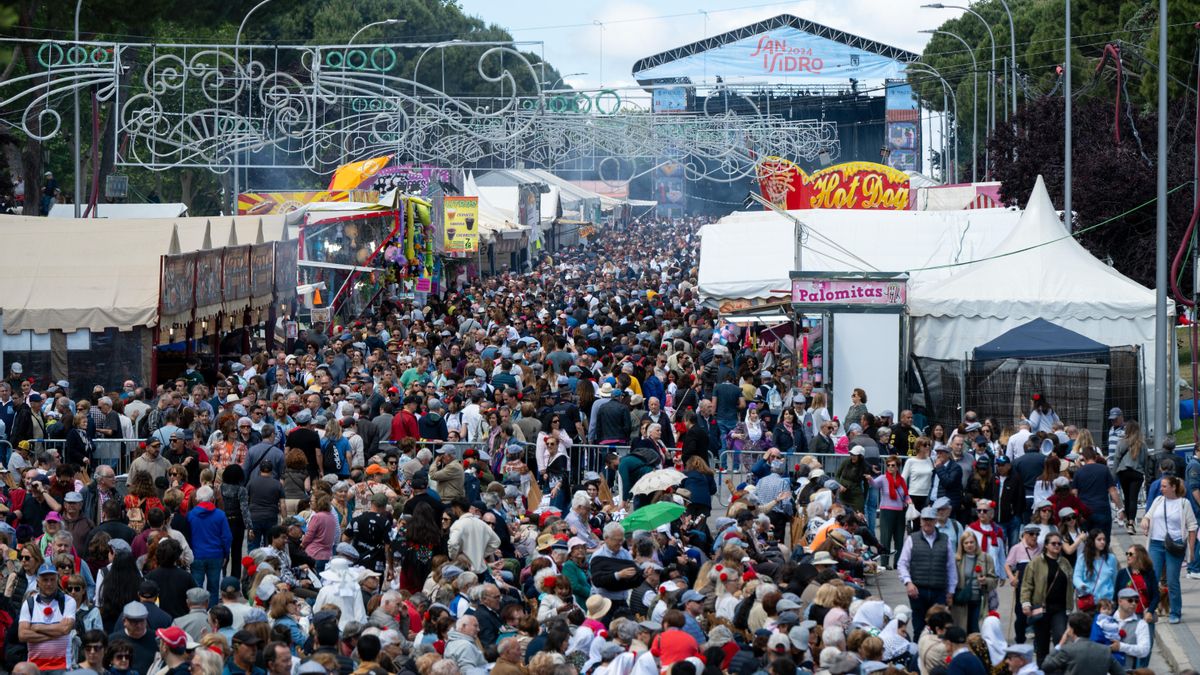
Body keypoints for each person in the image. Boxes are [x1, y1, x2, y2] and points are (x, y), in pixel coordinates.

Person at [1139, 474, 1197, 623]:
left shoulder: (1184, 504)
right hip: (1156, 544)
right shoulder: (1158, 500)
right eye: (1161, 486)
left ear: (1173, 487)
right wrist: (1145, 521)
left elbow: (1192, 526)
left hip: (1174, 545)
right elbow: (1148, 515)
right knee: (1152, 578)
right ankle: (1150, 609)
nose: (1161, 488)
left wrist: (1190, 551)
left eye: (1164, 486)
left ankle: (1175, 612)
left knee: (1172, 581)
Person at [896, 507, 956, 638]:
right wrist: (908, 583)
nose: (927, 522)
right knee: (919, 629)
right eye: (925, 519)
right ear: (921, 521)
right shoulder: (912, 539)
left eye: (930, 519)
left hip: (939, 591)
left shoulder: (945, 540)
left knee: (939, 628)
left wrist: (951, 591)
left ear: (935, 521)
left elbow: (951, 567)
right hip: (918, 591)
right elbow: (902, 564)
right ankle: (919, 655)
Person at [1020, 531, 1073, 663]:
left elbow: (1071, 585)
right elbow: (1027, 584)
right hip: (1041, 609)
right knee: (1042, 644)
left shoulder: (1065, 563)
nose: (1057, 546)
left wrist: (1071, 606)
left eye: (1059, 543)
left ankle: (1057, 669)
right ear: (1046, 546)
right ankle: (1041, 670)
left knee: (1060, 640)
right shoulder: (1036, 563)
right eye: (1053, 543)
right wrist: (1026, 603)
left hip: (1060, 609)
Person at [19, 560, 77, 672]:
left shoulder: (68, 601)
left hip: (61, 666)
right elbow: (23, 635)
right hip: (34, 668)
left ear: (57, 580)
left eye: (52, 579)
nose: (49, 583)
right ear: (38, 582)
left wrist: (37, 627)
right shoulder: (29, 603)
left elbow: (65, 629)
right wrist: (56, 634)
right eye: (45, 580)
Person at [1041, 612, 1125, 675]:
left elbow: (1045, 666)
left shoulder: (1067, 650)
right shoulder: (1105, 650)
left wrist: (1060, 644)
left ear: (1071, 630)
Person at [188, 485, 232, 603]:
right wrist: (226, 554)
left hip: (197, 555)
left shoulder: (191, 515)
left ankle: (198, 611)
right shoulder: (220, 515)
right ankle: (212, 612)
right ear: (212, 498)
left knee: (197, 588)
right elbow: (227, 537)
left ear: (197, 499)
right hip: (216, 555)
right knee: (213, 588)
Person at [1114, 420, 1153, 534]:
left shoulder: (1122, 443)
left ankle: (1127, 520)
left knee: (1126, 496)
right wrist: (1147, 476)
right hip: (1137, 473)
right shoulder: (1143, 444)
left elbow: (1116, 458)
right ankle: (1131, 523)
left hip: (1123, 472)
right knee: (1133, 499)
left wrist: (1113, 475)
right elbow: (1146, 461)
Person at [1072, 529, 1117, 613]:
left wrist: (1114, 596)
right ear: (1092, 541)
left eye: (1104, 539)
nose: (1102, 542)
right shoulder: (1082, 558)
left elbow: (1115, 579)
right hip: (1090, 601)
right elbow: (1076, 577)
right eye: (1099, 539)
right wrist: (1082, 585)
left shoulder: (1111, 558)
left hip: (1107, 602)